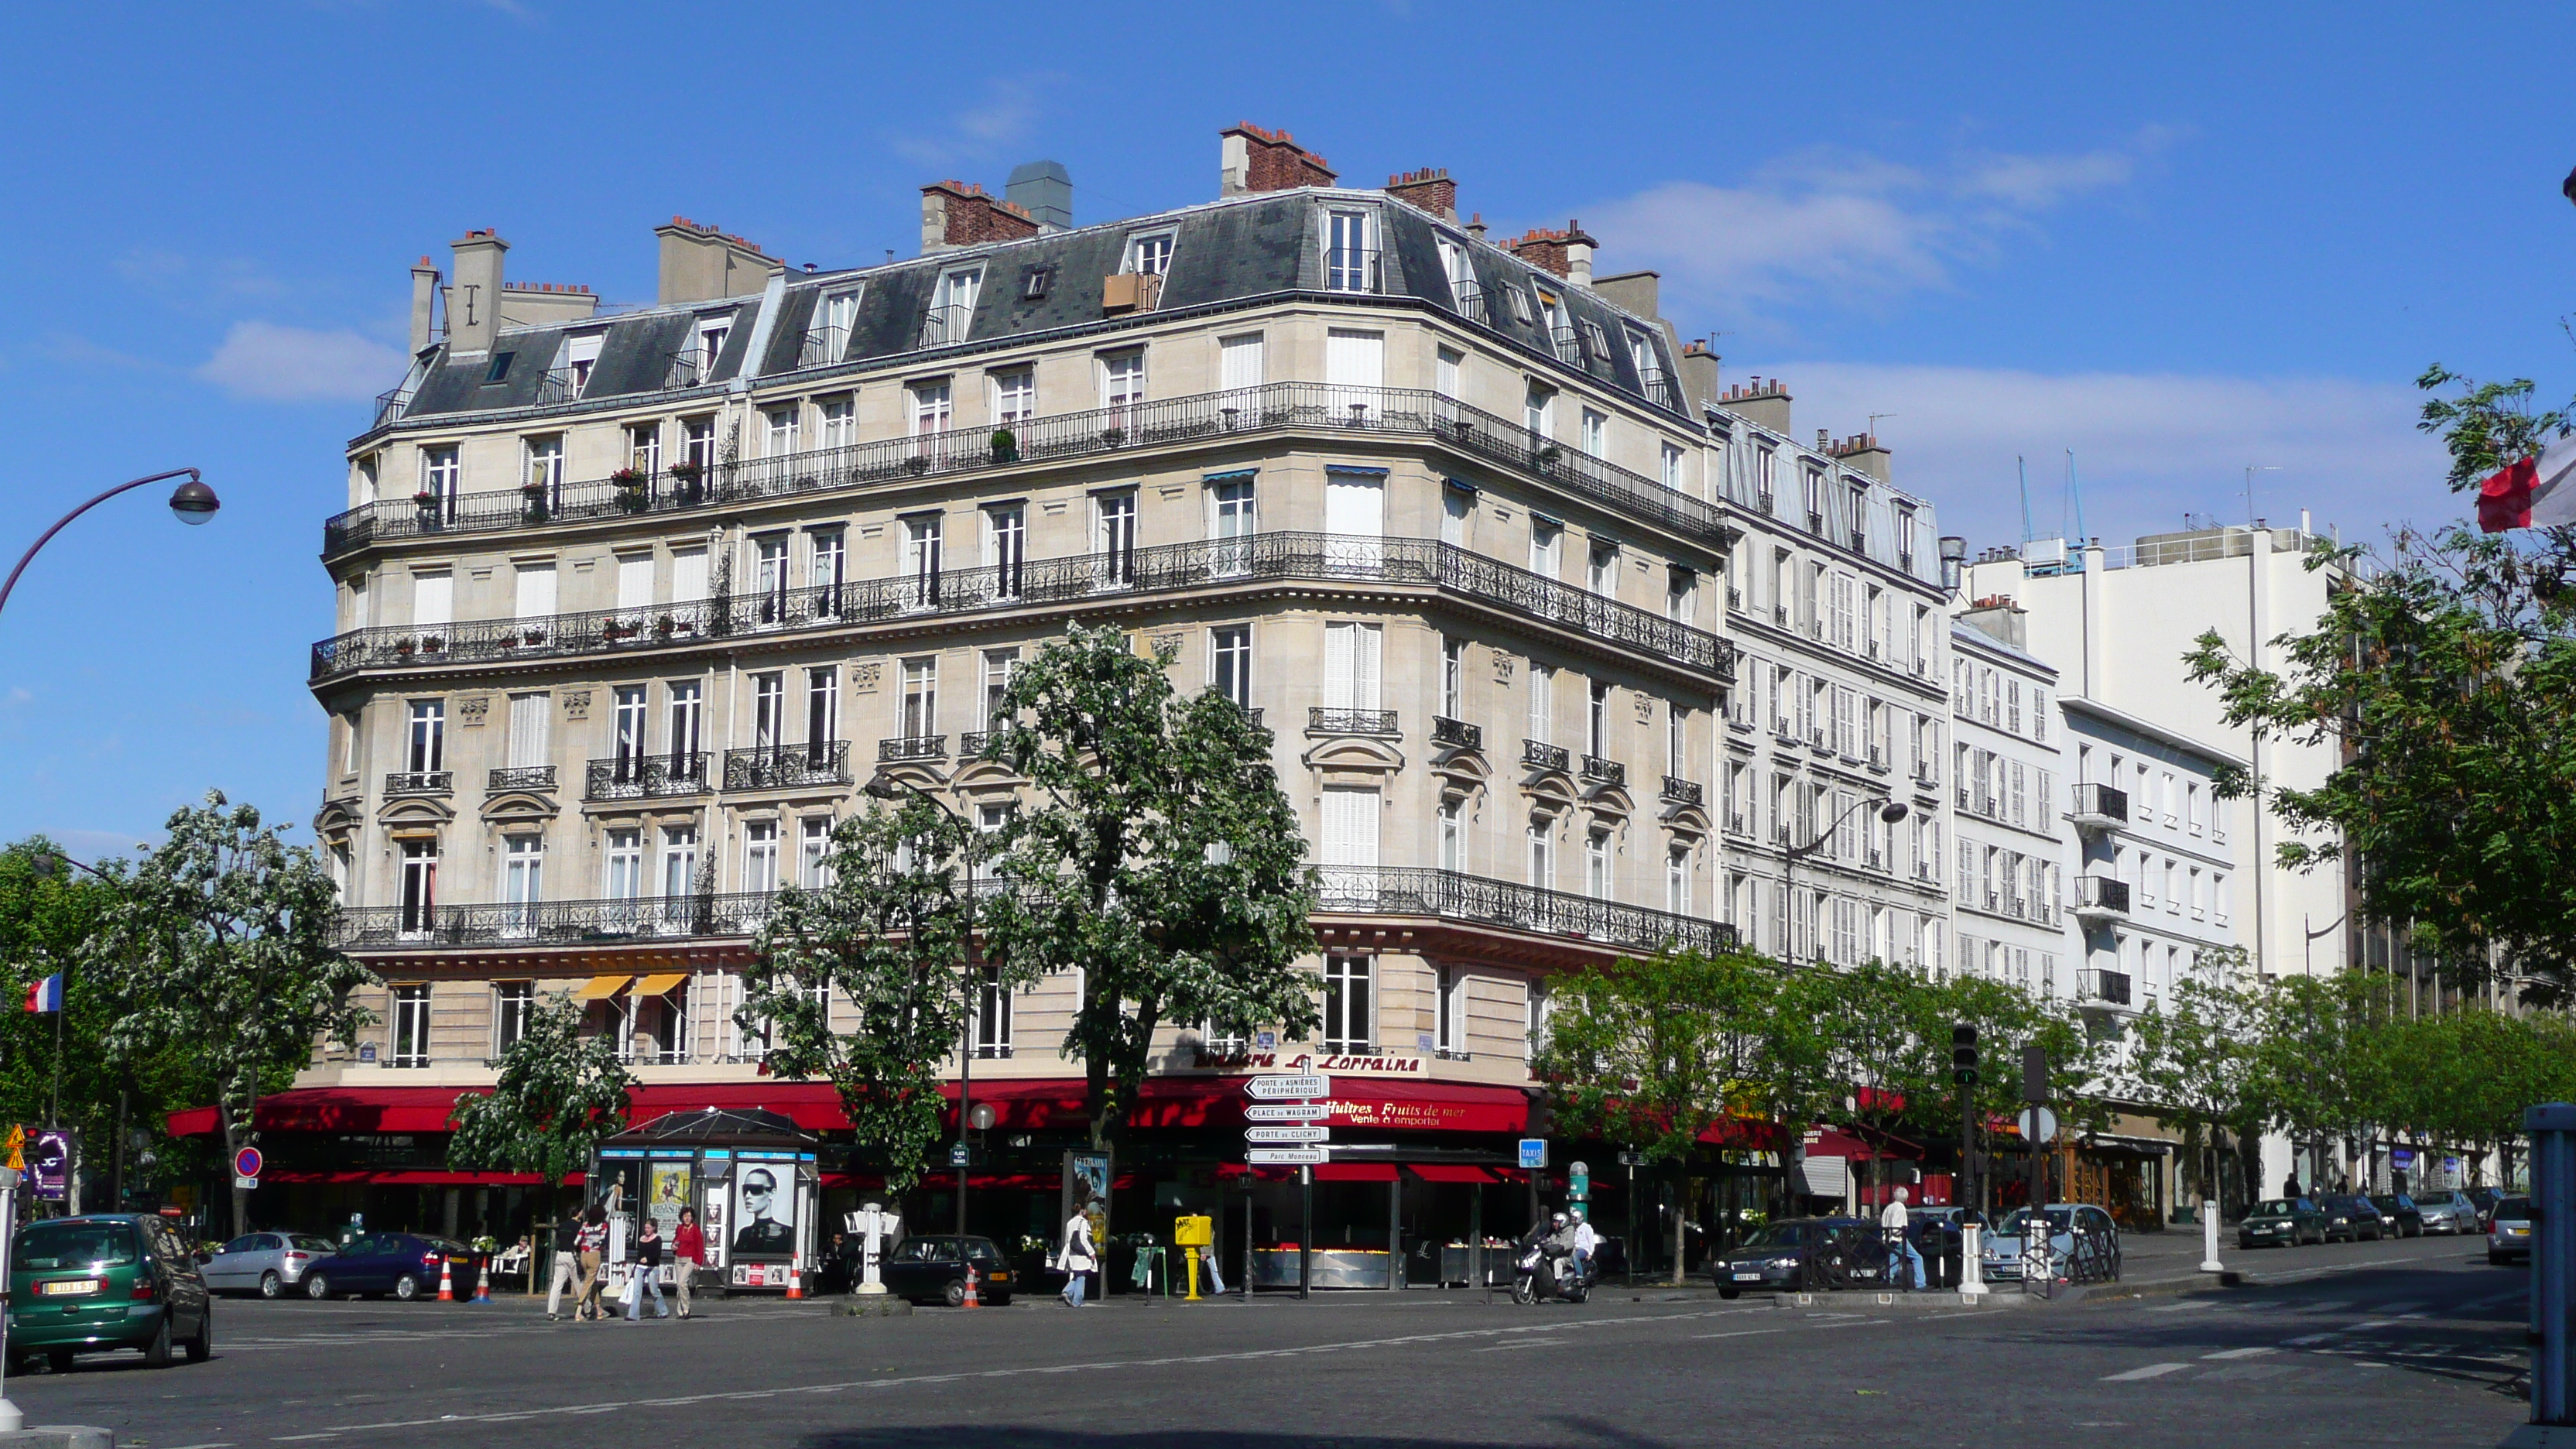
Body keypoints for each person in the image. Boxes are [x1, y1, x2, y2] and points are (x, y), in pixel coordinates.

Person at [732, 1168, 793, 1255]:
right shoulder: (745, 1233)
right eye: (745, 1190)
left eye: (756, 1189)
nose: (748, 1196)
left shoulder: (788, 1234)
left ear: (772, 1193)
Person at [626, 1217, 670, 1321]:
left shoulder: (657, 1239)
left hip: (652, 1267)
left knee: (654, 1290)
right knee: (637, 1291)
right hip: (640, 1267)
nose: (647, 1230)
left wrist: (648, 1259)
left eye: (649, 1228)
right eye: (646, 1228)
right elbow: (639, 1255)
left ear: (654, 1228)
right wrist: (635, 1268)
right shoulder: (642, 1239)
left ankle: (663, 1310)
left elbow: (657, 1254)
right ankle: (633, 1315)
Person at [1882, 1187, 1923, 1291]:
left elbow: (1883, 1223)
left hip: (1887, 1238)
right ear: (1906, 1198)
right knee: (1917, 1258)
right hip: (1898, 1239)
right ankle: (1921, 1284)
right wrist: (1901, 1232)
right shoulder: (1900, 1209)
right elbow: (1897, 1226)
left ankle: (1887, 1282)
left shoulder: (1889, 1208)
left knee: (1893, 1260)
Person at [545, 1208, 584, 1320]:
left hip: (560, 1254)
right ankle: (586, 1309)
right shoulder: (578, 1226)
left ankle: (551, 1311)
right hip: (572, 1255)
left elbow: (558, 1239)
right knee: (578, 1283)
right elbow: (579, 1241)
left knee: (557, 1284)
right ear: (579, 1212)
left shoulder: (562, 1225)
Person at [1058, 1200, 1098, 1307]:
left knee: (1077, 1275)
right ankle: (1077, 1301)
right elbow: (1083, 1239)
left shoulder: (1070, 1223)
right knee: (1081, 1277)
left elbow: (1068, 1240)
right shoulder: (1083, 1222)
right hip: (1082, 1254)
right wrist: (1091, 1252)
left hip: (1072, 1253)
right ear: (1082, 1211)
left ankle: (1066, 1292)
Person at [574, 1204, 609, 1322]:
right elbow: (602, 1240)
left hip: (584, 1254)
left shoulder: (585, 1225)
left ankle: (599, 1310)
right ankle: (579, 1311)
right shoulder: (603, 1225)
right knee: (588, 1283)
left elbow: (577, 1241)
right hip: (595, 1254)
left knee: (592, 1281)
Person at [671, 1207, 704, 1321]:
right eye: (685, 1216)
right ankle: (680, 1311)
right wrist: (674, 1246)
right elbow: (676, 1240)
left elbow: (700, 1246)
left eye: (689, 1216)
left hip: (690, 1259)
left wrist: (699, 1262)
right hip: (679, 1258)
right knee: (679, 1285)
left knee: (682, 1283)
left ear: (692, 1217)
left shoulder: (695, 1229)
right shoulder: (680, 1228)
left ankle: (686, 1308)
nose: (687, 1218)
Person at [1568, 1207, 1600, 1283]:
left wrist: (1590, 1253)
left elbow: (1591, 1241)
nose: (1572, 1221)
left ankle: (1579, 1276)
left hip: (1584, 1249)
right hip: (1574, 1248)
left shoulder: (1586, 1227)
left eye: (1574, 1219)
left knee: (1575, 1256)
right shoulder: (1572, 1228)